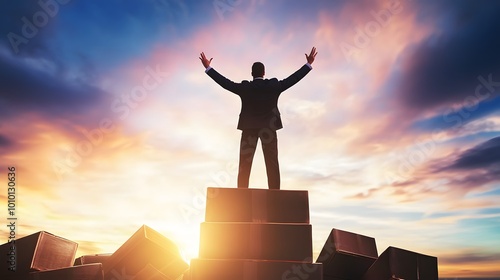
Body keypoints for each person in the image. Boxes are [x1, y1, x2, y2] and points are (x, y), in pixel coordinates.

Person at [199, 47, 317, 190]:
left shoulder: (245, 87)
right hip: (269, 129)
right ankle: (275, 193)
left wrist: (208, 68)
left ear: (252, 73)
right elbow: (293, 79)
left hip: (249, 129)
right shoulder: (274, 85)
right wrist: (308, 64)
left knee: (244, 163)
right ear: (264, 73)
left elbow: (225, 83)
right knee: (272, 162)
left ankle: (242, 193)